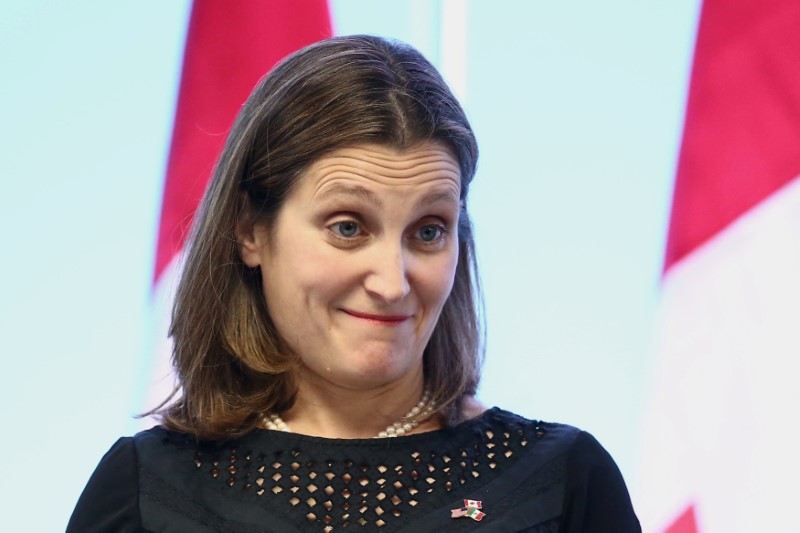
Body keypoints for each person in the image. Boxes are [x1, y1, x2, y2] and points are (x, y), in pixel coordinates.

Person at [68, 35, 640, 532]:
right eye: (347, 227)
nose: (392, 282)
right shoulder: (144, 491)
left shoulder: (563, 480)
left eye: (428, 232)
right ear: (250, 231)